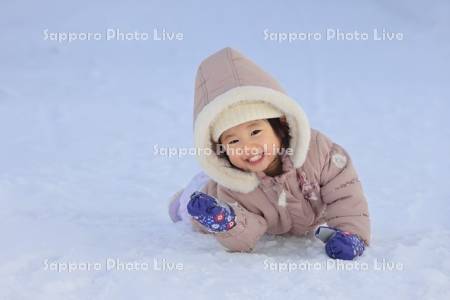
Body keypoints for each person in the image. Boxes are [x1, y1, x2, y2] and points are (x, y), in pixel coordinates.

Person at [168, 47, 370, 260]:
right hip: (208, 191)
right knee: (191, 208)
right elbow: (248, 232)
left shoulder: (320, 153)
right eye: (234, 141)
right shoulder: (231, 185)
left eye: (255, 132)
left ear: (281, 125)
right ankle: (180, 202)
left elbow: (345, 195)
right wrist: (227, 222)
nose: (248, 147)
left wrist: (352, 234)